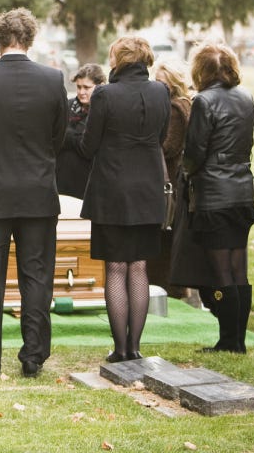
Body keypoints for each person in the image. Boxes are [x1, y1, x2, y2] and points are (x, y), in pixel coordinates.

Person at [0, 9, 67, 379]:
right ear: (30, 39)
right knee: (37, 276)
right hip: (37, 190)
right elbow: (58, 135)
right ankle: (33, 355)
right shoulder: (52, 80)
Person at [81, 35, 170, 362]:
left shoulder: (105, 94)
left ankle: (120, 349)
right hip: (147, 188)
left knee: (116, 267)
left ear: (118, 59)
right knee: (139, 266)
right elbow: (161, 137)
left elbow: (88, 146)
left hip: (113, 190)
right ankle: (135, 346)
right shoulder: (161, 91)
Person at [182, 44, 254, 353]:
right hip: (242, 189)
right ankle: (238, 339)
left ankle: (228, 340)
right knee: (239, 268)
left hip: (214, 192)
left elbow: (196, 150)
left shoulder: (204, 101)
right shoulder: (246, 97)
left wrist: (186, 171)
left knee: (221, 271)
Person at [151, 59, 215, 308]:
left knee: (165, 244)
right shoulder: (184, 104)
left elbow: (168, 146)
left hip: (169, 183)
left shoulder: (175, 109)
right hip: (176, 182)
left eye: (162, 82)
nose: (158, 87)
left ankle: (170, 292)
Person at [57, 64, 104, 200]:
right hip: (61, 177)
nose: (81, 92)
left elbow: (89, 146)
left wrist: (68, 135)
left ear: (99, 86)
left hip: (88, 180)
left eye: (86, 87)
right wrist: (78, 137)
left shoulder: (102, 110)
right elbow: (56, 136)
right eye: (78, 87)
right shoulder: (68, 105)